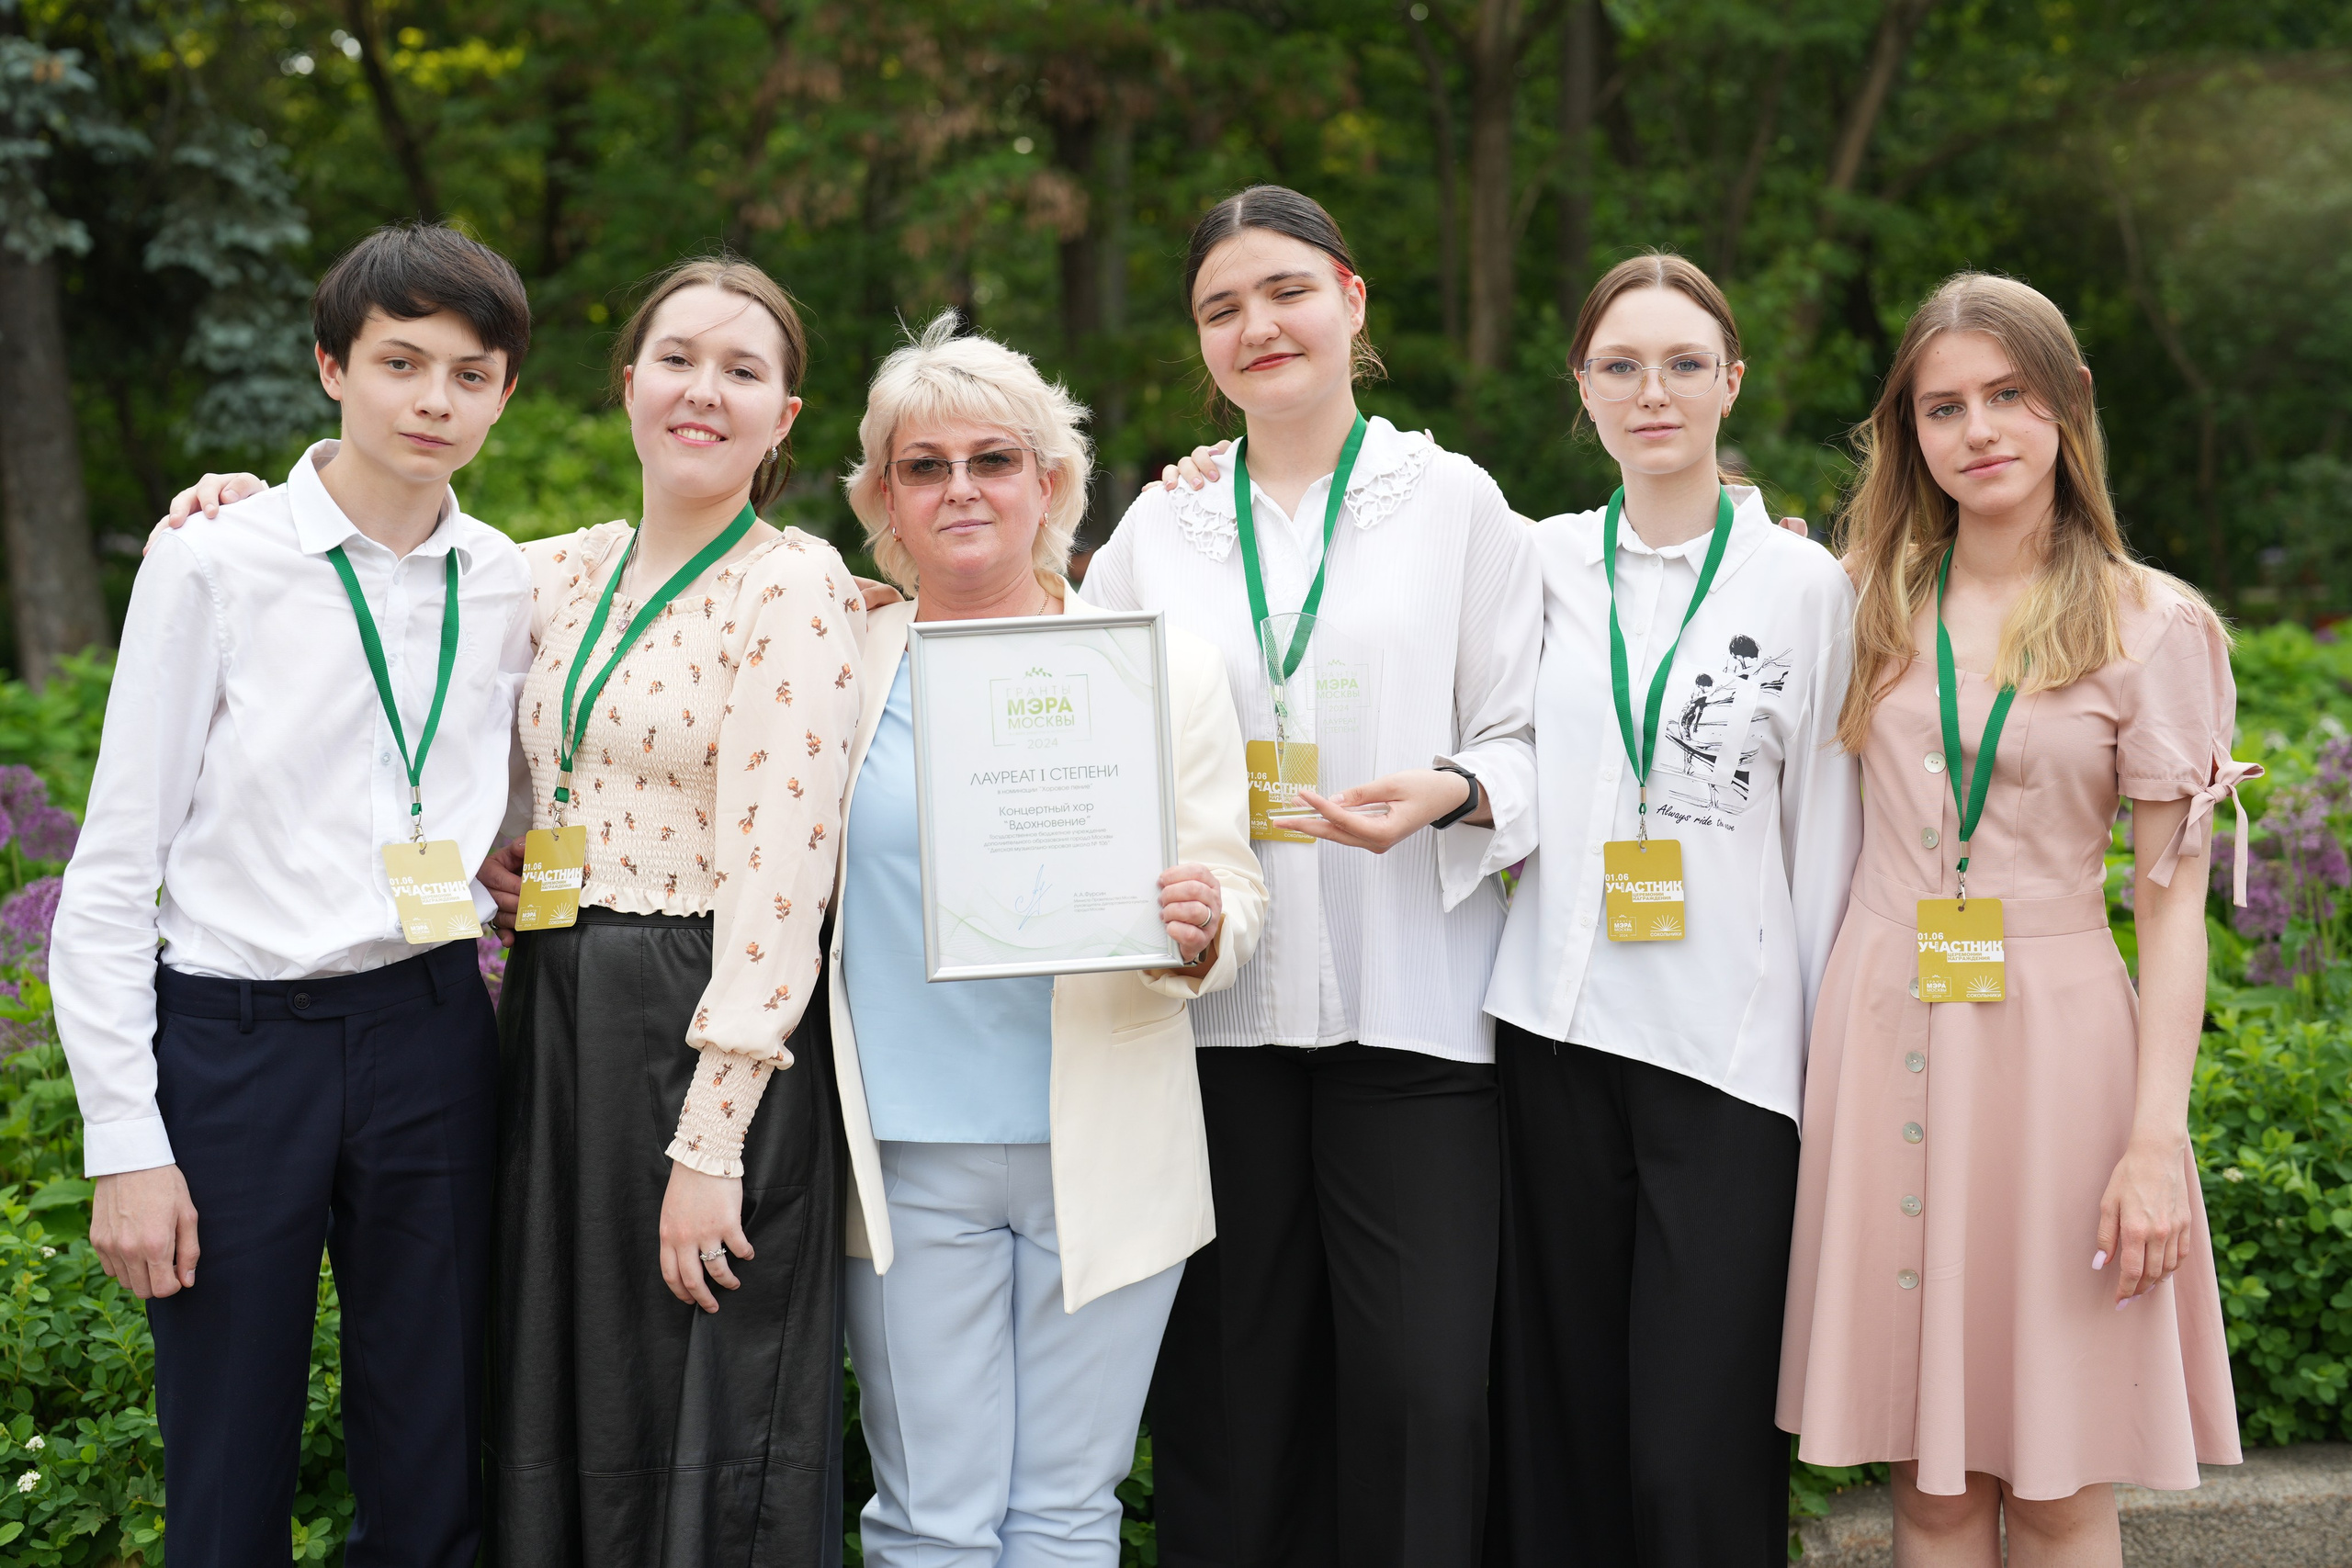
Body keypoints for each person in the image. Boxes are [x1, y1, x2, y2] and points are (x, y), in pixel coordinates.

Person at [51, 222, 535, 1567]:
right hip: (233, 1045)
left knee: (435, 1437)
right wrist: (122, 1141)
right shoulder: (215, 559)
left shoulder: (506, 577)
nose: (435, 400)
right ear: (332, 367)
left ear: (505, 396)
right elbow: (109, 870)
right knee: (227, 1451)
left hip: (431, 1028)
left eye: (473, 374)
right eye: (402, 362)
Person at [1083, 185, 1539, 1568]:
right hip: (1217, 1026)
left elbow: (1529, 738)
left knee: (1420, 1396)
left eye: (1283, 290)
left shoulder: (1455, 503)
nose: (1255, 325)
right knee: (1232, 1400)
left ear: (1350, 299)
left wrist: (1454, 792)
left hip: (1414, 1020)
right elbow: (1073, 719)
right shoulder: (1160, 527)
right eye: (1220, 308)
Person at [1778, 273, 2250, 1563]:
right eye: (1943, 406)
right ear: (1908, 430)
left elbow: (2171, 918)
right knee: (1924, 1490)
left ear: (2068, 405)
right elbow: (1672, 560)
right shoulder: (1857, 597)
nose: (1977, 429)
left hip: (2058, 1064)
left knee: (2052, 1485)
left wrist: (2156, 1144)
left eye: (2007, 395)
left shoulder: (2155, 627)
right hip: (1881, 1036)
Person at [828, 312, 1264, 1566]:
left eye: (994, 459)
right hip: (909, 1156)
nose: (961, 488)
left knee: (1069, 1512)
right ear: (885, 503)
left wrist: (1198, 932)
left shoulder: (1154, 670)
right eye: (924, 466)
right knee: (930, 1517)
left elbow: (1233, 891)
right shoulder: (840, 660)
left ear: (1053, 484)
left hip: (1106, 1145)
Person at [1477, 254, 1861, 1568]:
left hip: (1728, 1060)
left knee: (1694, 1444)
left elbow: (1826, 835)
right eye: (1622, 366)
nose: (1655, 393)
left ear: (1731, 383)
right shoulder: (1535, 565)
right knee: (1562, 1424)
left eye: (1685, 364)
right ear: (1582, 388)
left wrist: (1822, 1063)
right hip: (1553, 1035)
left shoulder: (1805, 590)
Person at [479, 257, 865, 1563]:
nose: (706, 390)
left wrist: (711, 1144)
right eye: (680, 358)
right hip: (556, 1013)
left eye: (744, 371)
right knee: (566, 1386)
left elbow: (783, 883)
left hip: (703, 1025)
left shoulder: (790, 586)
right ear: (629, 380)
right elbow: (388, 576)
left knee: (703, 1412)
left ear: (784, 420)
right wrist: (249, 503)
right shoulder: (558, 573)